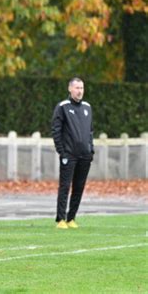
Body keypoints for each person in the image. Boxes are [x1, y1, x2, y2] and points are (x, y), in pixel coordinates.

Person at [51, 77, 94, 229]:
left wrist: (91, 150)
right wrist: (62, 152)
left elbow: (90, 131)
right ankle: (60, 219)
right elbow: (56, 130)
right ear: (70, 89)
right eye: (77, 88)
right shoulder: (62, 106)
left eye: (82, 88)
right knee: (65, 186)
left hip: (85, 155)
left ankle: (71, 218)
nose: (79, 91)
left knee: (79, 186)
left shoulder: (87, 107)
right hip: (69, 155)